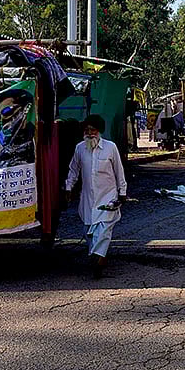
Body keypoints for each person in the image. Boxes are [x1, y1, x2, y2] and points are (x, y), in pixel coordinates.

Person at [64, 114, 127, 278]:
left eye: (93, 130)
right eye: (87, 130)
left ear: (99, 131)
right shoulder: (80, 148)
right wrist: (68, 188)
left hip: (108, 196)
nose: (90, 133)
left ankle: (98, 260)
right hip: (87, 198)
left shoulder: (110, 147)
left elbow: (119, 172)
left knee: (104, 228)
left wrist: (123, 193)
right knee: (89, 231)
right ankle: (98, 255)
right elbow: (73, 170)